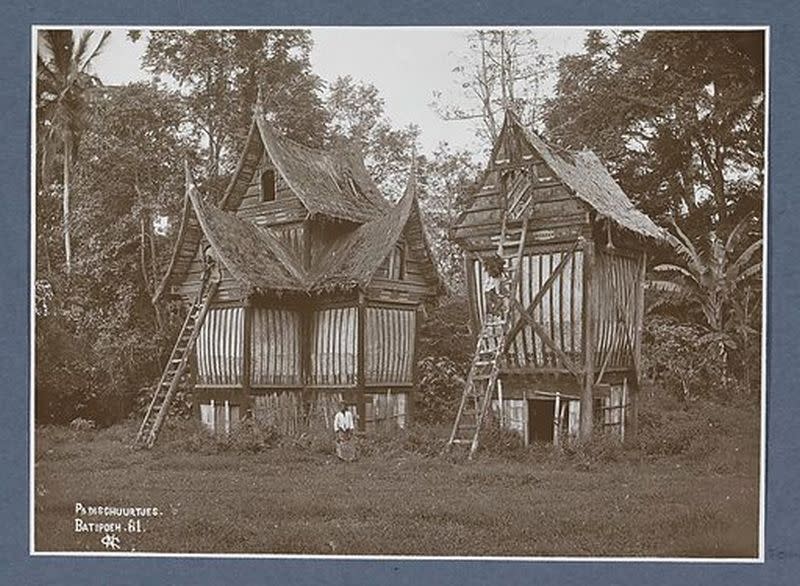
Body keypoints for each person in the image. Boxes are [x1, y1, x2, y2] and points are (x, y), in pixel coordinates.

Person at [483, 253, 508, 324]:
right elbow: (497, 286)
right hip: (490, 291)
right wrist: (498, 294)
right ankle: (495, 315)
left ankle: (495, 315)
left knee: (496, 303)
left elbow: (499, 282)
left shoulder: (494, 276)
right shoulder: (495, 277)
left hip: (489, 291)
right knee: (496, 303)